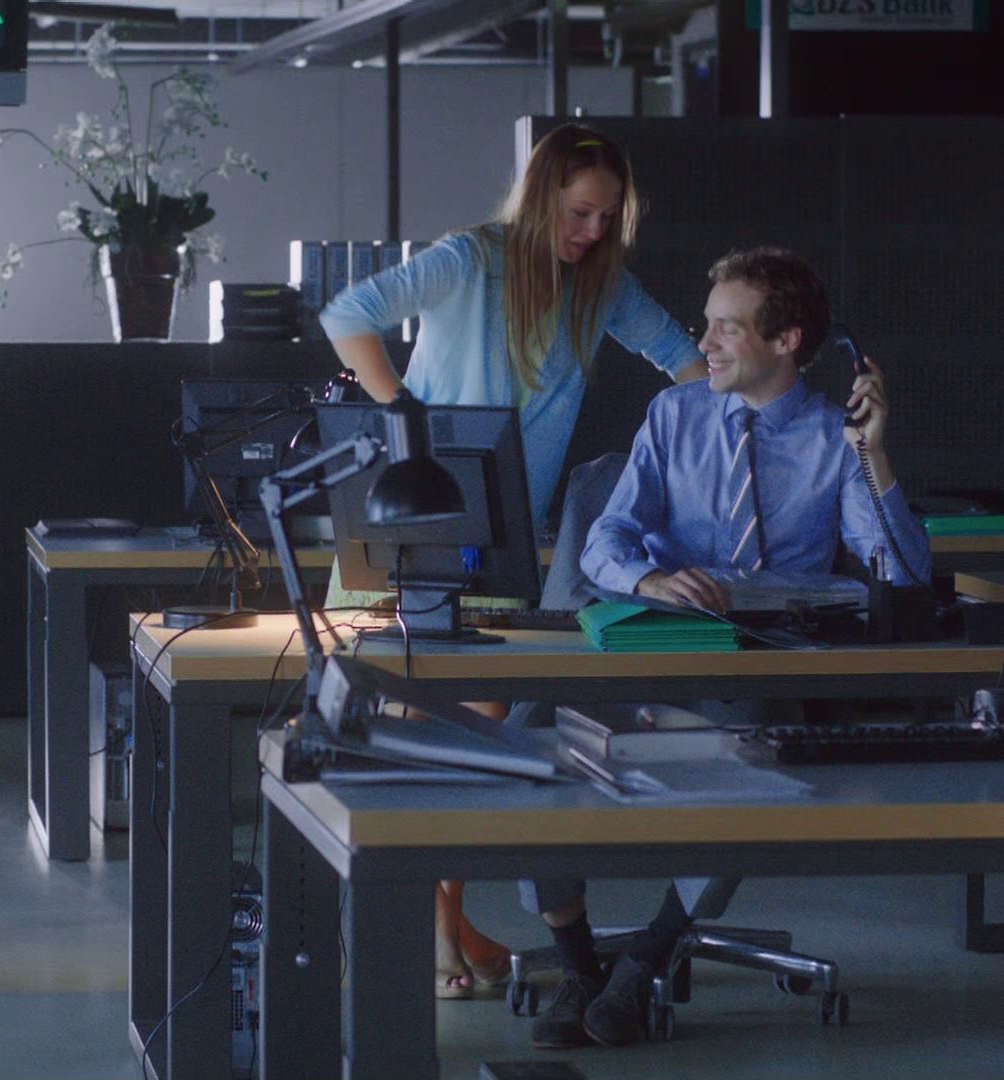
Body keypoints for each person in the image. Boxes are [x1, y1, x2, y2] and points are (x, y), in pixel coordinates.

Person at [320, 123, 705, 1000]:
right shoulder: (469, 260)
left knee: (477, 736)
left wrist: (712, 441)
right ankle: (430, 927)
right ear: (540, 200)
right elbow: (346, 317)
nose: (593, 232)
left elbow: (687, 363)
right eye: (579, 213)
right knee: (420, 727)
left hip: (505, 536)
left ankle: (442, 922)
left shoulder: (602, 286)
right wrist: (406, 416)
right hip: (418, 513)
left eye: (608, 217)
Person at [528, 246, 932, 1049]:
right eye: (704, 325)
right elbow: (604, 542)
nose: (703, 345)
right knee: (534, 729)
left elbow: (904, 574)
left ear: (786, 341)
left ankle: (645, 960)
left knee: (755, 756)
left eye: (726, 329)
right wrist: (651, 578)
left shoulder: (834, 438)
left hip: (757, 663)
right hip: (656, 642)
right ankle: (579, 965)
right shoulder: (673, 415)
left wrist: (875, 453)